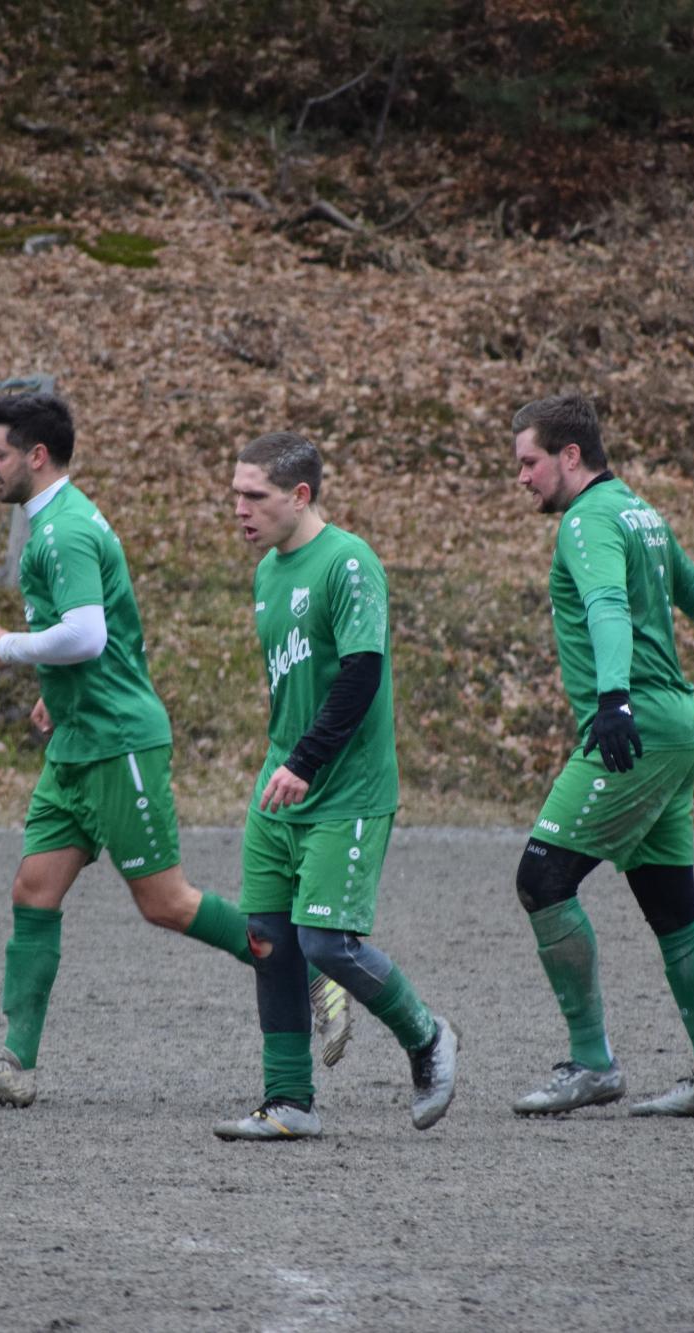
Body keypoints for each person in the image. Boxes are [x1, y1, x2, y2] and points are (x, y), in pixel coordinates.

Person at [0, 394, 349, 1107]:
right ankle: (14, 1061)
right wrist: (58, 689)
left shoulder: (63, 531)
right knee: (33, 890)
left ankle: (309, 969)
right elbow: (111, 630)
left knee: (165, 902)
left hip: (117, 742)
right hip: (78, 738)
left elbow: (88, 634)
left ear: (37, 457)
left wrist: (11, 648)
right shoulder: (58, 522)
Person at [506, 393, 694, 1119]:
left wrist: (613, 698)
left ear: (570, 456)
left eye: (530, 462)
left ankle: (592, 1064)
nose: (522, 477)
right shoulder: (637, 509)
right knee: (670, 903)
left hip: (635, 727)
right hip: (676, 725)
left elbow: (606, 603)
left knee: (543, 878)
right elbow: (691, 587)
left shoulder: (586, 521)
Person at [213, 432, 459, 1141]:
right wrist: (283, 763)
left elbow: (361, 677)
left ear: (300, 496)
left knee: (325, 943)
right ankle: (289, 1100)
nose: (239, 509)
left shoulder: (350, 563)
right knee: (268, 940)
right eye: (235, 494)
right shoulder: (268, 572)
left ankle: (428, 1036)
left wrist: (305, 763)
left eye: (254, 495)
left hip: (343, 787)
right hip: (282, 785)